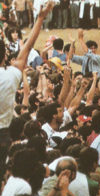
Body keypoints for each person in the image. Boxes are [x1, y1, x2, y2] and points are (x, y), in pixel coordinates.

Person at [0, 0, 54, 181]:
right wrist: (40, 18)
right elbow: (28, 46)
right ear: (5, 55)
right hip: (5, 134)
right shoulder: (12, 74)